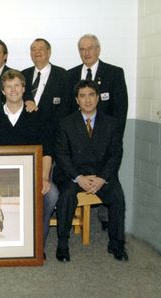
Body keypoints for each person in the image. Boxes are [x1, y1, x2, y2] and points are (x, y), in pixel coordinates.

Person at [0, 69, 56, 258]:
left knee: (51, 195)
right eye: (8, 86)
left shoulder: (38, 116)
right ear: (3, 91)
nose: (13, 90)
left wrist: (44, 177)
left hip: (31, 176)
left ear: (24, 89)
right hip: (2, 180)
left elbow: (47, 151)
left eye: (17, 85)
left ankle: (38, 245)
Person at [54, 80, 128, 262]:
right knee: (66, 196)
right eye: (82, 96)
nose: (87, 100)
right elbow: (61, 155)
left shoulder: (111, 123)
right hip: (74, 176)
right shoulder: (66, 123)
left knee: (118, 196)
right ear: (77, 100)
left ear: (97, 98)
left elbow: (115, 154)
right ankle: (62, 244)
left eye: (91, 95)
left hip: (101, 176)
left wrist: (102, 178)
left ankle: (116, 244)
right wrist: (78, 178)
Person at [68, 34, 128, 230]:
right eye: (82, 49)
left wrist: (114, 143)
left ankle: (107, 220)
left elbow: (120, 111)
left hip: (105, 147)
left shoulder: (114, 73)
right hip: (78, 146)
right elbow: (67, 112)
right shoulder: (70, 75)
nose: (86, 53)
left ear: (98, 49)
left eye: (90, 48)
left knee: (113, 189)